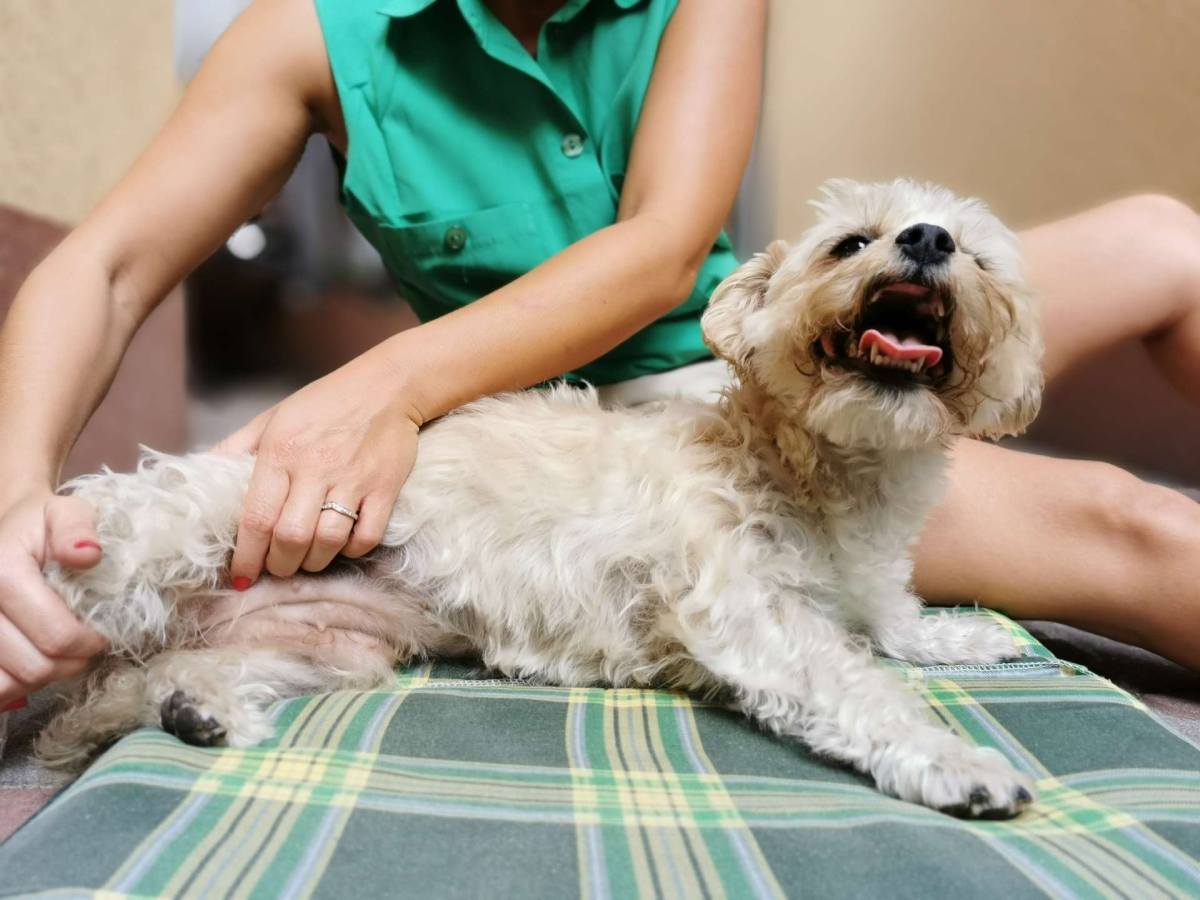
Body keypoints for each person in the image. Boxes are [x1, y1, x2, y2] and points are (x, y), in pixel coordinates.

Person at [1, 0, 1199, 713]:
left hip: (745, 356)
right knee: (1133, 527)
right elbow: (103, 270)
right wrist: (10, 503)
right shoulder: (316, 32)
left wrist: (375, 386)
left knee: (1164, 240)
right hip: (610, 444)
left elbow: (663, 248)